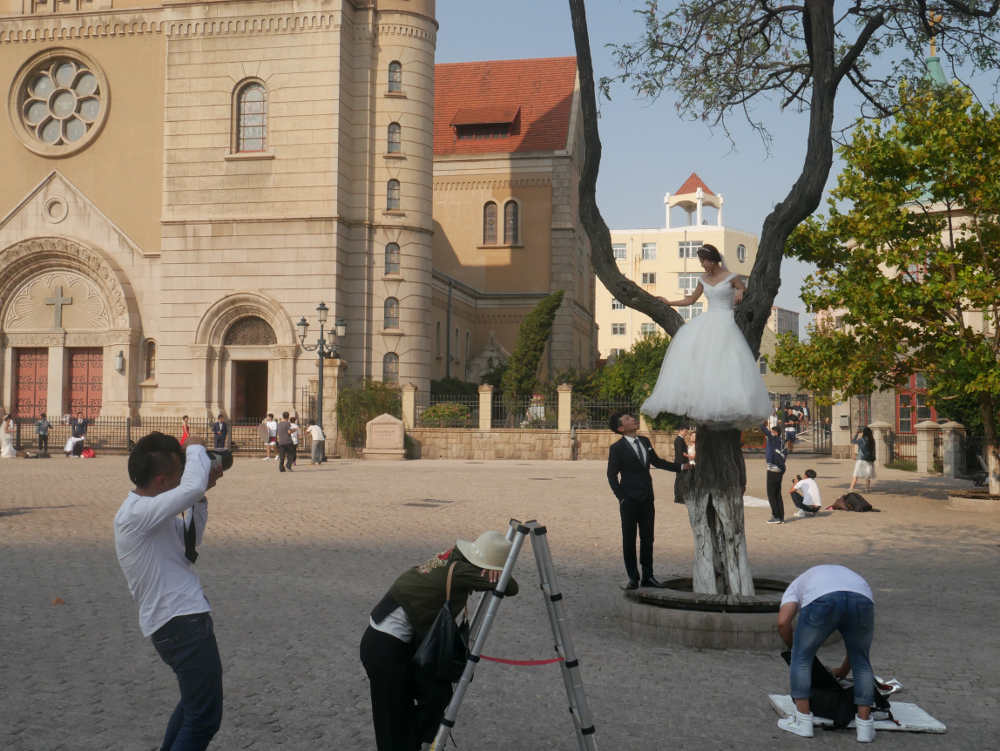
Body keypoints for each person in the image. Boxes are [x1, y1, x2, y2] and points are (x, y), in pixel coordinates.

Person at [114, 433, 225, 751]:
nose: (182, 483)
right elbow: (189, 487)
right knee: (204, 718)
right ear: (162, 480)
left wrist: (201, 496)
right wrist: (195, 451)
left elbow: (190, 544)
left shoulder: (149, 515)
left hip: (182, 620)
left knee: (193, 707)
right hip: (180, 625)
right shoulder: (135, 515)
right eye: (178, 475)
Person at [360, 530, 519, 751]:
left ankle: (421, 740)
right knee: (392, 720)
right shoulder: (464, 572)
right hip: (385, 647)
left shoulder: (452, 557)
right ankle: (415, 741)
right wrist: (497, 573)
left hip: (392, 640)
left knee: (434, 694)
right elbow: (511, 587)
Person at [640, 244, 770, 428]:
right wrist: (670, 302)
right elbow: (691, 300)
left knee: (727, 362)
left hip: (726, 321)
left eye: (704, 261)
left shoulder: (731, 277)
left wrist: (740, 291)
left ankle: (729, 401)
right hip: (708, 320)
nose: (703, 265)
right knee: (703, 362)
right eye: (701, 262)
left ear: (713, 259)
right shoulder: (703, 280)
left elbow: (743, 290)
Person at [777, 564, 877, 743]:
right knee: (861, 660)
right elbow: (855, 650)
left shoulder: (794, 588)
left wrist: (796, 648)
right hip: (862, 597)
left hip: (822, 599)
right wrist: (843, 671)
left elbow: (783, 623)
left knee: (801, 659)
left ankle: (803, 721)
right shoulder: (842, 574)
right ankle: (865, 729)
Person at [607, 412, 691, 590]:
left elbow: (657, 462)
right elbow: (611, 475)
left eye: (632, 417)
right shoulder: (617, 448)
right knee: (629, 540)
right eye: (628, 419)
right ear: (621, 428)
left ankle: (648, 576)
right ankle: (632, 577)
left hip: (647, 498)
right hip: (629, 501)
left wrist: (681, 466)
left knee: (647, 538)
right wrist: (621, 497)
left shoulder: (644, 442)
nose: (633, 419)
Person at [760, 421, 786, 524]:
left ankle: (775, 516)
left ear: (775, 433)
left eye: (772, 431)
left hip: (772, 470)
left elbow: (764, 430)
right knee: (777, 494)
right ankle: (781, 517)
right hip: (780, 470)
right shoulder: (782, 442)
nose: (770, 433)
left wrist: (761, 422)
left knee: (771, 494)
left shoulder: (773, 439)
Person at [850, 427, 877, 492]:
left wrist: (857, 433)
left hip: (861, 459)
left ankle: (851, 488)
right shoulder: (872, 440)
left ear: (864, 433)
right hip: (869, 460)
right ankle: (867, 488)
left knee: (856, 474)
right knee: (867, 475)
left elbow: (853, 441)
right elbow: (873, 450)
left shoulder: (861, 440)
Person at [672, 427, 692, 504]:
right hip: (680, 463)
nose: (686, 433)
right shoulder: (679, 440)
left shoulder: (680, 439)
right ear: (680, 430)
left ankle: (679, 497)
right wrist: (689, 456)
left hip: (680, 462)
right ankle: (679, 498)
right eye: (685, 431)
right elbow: (681, 452)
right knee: (680, 480)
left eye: (686, 431)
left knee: (680, 480)